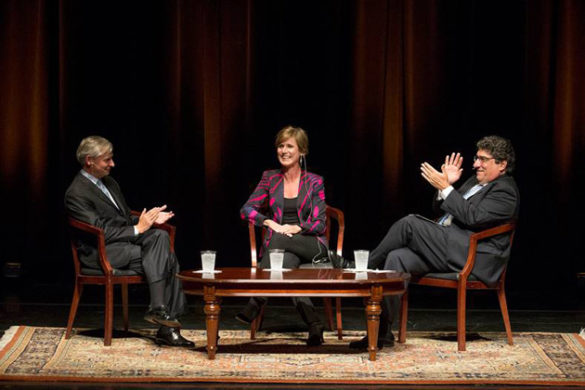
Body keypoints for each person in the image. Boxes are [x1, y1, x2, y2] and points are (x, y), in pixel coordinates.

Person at [349, 135, 520, 350]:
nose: (476, 164)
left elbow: (473, 218)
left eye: (483, 159)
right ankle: (381, 333)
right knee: (397, 258)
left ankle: (358, 269)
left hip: (472, 257)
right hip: (449, 248)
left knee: (409, 224)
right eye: (476, 158)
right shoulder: (473, 182)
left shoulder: (505, 191)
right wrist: (446, 186)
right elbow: (441, 210)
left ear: (502, 164)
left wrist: (446, 189)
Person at [64, 136, 194, 348]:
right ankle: (167, 327)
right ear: (89, 160)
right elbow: (100, 231)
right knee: (168, 260)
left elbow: (122, 218)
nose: (112, 164)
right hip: (101, 252)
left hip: (124, 246)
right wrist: (138, 228)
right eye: (107, 160)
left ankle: (159, 310)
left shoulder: (110, 183)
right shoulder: (76, 193)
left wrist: (150, 221)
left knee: (160, 235)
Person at [236, 126, 329, 346]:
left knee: (278, 241)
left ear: (301, 152)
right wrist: (268, 222)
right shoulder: (269, 178)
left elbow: (320, 222)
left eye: (289, 146)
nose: (284, 151)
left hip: (311, 245)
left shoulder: (314, 181)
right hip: (281, 251)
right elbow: (246, 209)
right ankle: (315, 324)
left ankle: (257, 299)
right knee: (285, 264)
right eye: (280, 146)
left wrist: (297, 228)